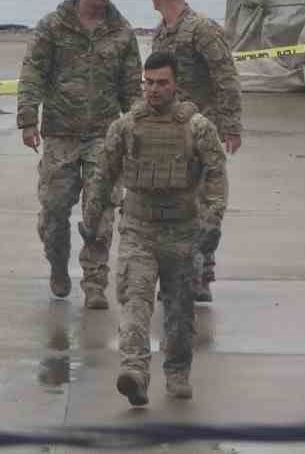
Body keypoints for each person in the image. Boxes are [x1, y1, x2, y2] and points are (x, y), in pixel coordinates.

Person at [81, 51, 227, 405]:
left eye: (162, 83)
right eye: (149, 83)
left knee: (179, 313)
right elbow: (103, 174)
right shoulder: (127, 126)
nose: (154, 90)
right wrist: (91, 217)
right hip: (138, 229)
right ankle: (134, 371)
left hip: (182, 232)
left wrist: (212, 220)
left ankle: (177, 371)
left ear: (175, 84)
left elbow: (216, 174)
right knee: (135, 302)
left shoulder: (197, 127)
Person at [17, 0, 142, 310]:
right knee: (55, 211)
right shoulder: (53, 26)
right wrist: (28, 120)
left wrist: (136, 128)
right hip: (60, 133)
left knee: (100, 212)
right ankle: (58, 264)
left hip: (104, 134)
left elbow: (132, 87)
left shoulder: (122, 32)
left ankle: (95, 283)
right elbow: (33, 74)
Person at [140, 0, 242, 303]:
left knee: (203, 206)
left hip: (201, 131)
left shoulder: (201, 29)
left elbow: (225, 76)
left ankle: (200, 277)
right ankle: (176, 273)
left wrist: (230, 126)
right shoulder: (162, 31)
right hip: (167, 135)